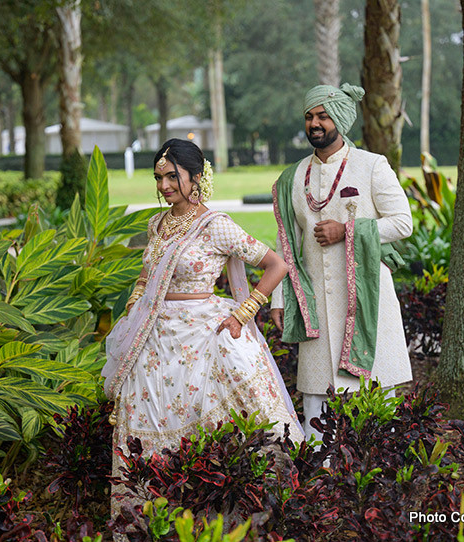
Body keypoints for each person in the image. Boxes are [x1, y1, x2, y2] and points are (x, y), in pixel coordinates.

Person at [102, 139, 304, 511]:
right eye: (158, 177)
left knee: (200, 417)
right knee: (148, 417)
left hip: (201, 334)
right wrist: (134, 309)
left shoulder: (216, 226)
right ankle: (149, 514)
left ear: (196, 178)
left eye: (172, 177)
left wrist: (244, 313)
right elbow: (147, 277)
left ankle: (208, 510)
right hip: (153, 334)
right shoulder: (156, 223)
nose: (164, 186)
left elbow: (277, 266)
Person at [270, 83, 413, 440]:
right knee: (316, 388)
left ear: (341, 120)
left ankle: (380, 457)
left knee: (376, 382)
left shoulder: (371, 166)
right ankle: (319, 463)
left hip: (366, 295)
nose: (314, 123)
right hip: (316, 297)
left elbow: (402, 223)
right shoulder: (292, 178)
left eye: (323, 116)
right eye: (309, 117)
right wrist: (279, 299)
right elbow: (286, 243)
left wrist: (348, 230)